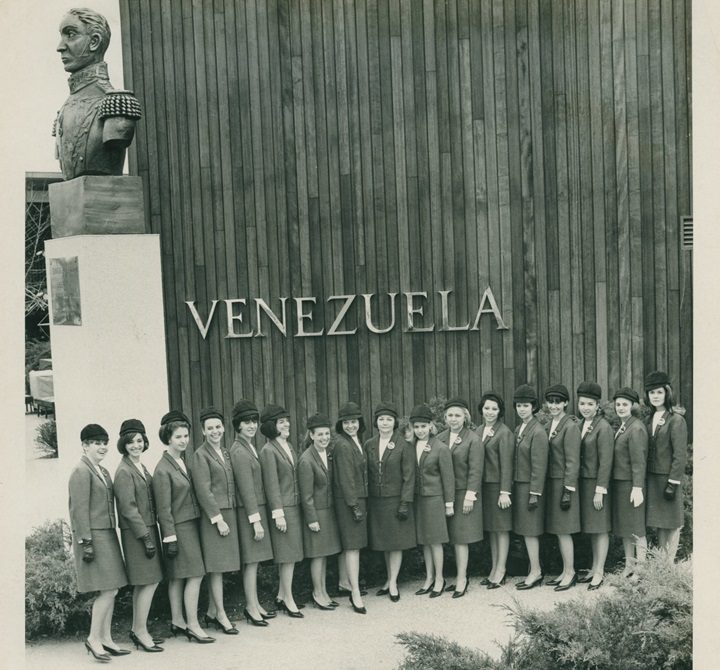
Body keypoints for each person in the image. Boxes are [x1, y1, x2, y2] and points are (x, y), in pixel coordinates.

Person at [68, 423, 129, 661]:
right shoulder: (81, 471)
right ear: (84, 446)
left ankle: (106, 638)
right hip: (94, 537)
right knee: (109, 589)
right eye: (96, 443)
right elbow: (78, 510)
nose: (102, 447)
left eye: (104, 442)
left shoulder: (102, 471)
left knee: (111, 589)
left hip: (107, 534)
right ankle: (93, 638)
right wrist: (86, 542)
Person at [152, 411, 214, 644]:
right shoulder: (162, 468)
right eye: (178, 437)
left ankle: (178, 621)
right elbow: (164, 509)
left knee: (178, 578)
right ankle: (193, 625)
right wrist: (170, 538)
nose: (183, 440)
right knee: (195, 574)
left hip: (189, 525)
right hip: (179, 528)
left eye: (186, 436)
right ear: (168, 438)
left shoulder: (180, 461)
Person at [113, 419, 164, 652]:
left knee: (146, 582)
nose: (136, 445)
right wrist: (145, 537)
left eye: (140, 440)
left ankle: (137, 629)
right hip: (137, 534)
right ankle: (141, 631)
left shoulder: (140, 467)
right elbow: (128, 508)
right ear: (123, 444)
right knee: (148, 581)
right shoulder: (124, 471)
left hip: (147, 529)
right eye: (131, 441)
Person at [191, 407, 241, 635]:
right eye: (209, 428)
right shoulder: (200, 455)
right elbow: (204, 491)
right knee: (217, 568)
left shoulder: (225, 452)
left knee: (222, 566)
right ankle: (221, 614)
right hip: (215, 517)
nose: (215, 431)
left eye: (218, 427)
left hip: (229, 513)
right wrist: (217, 519)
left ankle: (212, 611)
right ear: (203, 431)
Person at [228, 399, 276, 626]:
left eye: (254, 421)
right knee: (251, 561)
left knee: (254, 562)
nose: (251, 426)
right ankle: (250, 606)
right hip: (250, 513)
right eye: (246, 422)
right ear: (237, 425)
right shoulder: (238, 450)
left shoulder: (249, 446)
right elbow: (246, 490)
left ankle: (255, 604)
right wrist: (255, 521)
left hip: (256, 511)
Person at [365, 401, 416, 602]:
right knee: (384, 543)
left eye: (388, 419)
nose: (384, 423)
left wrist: (405, 502)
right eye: (381, 419)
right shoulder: (369, 444)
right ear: (376, 422)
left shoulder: (403, 444)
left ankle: (393, 582)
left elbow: (409, 477)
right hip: (377, 502)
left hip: (396, 501)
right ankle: (388, 579)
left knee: (395, 543)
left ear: (394, 422)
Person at [259, 404, 305, 617]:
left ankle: (281, 595)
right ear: (272, 426)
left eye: (286, 420)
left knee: (291, 555)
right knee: (287, 556)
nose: (286, 424)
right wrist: (278, 514)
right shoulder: (268, 450)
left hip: (293, 507)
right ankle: (288, 599)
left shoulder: (288, 445)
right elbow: (271, 485)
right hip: (283, 510)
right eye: (281, 421)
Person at [436, 398, 483, 598]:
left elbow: (475, 470)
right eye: (450, 416)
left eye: (457, 415)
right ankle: (453, 576)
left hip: (464, 493)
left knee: (461, 538)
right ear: (445, 418)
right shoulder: (439, 438)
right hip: (444, 494)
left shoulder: (473, 439)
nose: (453, 419)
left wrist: (470, 496)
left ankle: (462, 578)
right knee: (449, 537)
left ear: (465, 417)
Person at [409, 404, 455, 598]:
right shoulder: (410, 446)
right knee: (425, 542)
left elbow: (448, 478)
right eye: (416, 427)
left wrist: (449, 503)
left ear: (431, 426)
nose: (420, 430)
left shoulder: (440, 448)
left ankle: (439, 579)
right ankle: (428, 578)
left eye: (423, 426)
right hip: (418, 500)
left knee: (435, 541)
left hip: (435, 499)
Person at [298, 414, 343, 610]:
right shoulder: (307, 459)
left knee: (324, 555)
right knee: (317, 555)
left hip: (329, 512)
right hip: (317, 514)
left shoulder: (328, 453)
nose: (324, 438)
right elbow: (306, 495)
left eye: (327, 434)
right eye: (320, 434)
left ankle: (324, 591)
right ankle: (317, 593)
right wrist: (312, 519)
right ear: (311, 435)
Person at [644, 371, 688, 561]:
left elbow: (679, 455)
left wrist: (673, 482)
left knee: (672, 522)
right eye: (652, 392)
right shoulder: (648, 419)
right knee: (659, 522)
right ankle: (661, 562)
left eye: (659, 392)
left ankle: (668, 565)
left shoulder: (676, 420)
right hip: (652, 477)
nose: (655, 396)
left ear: (667, 393)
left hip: (668, 478)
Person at [575, 382, 614, 590]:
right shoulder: (580, 425)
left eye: (590, 404)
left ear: (598, 405)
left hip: (597, 485)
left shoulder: (603, 427)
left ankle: (600, 571)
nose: (586, 408)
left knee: (600, 528)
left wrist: (600, 490)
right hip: (583, 483)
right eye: (582, 403)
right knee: (592, 528)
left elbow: (606, 462)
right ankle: (593, 567)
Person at [542, 385, 581, 591]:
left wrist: (567, 490)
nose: (554, 405)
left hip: (564, 484)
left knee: (565, 530)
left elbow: (572, 462)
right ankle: (565, 570)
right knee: (559, 530)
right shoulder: (550, 424)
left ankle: (571, 572)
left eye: (558, 402)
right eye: (550, 402)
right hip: (552, 482)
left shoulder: (570, 426)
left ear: (566, 403)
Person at [332, 402, 369, 613]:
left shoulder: (355, 441)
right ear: (341, 425)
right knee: (353, 546)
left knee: (348, 546)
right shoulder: (343, 445)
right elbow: (346, 479)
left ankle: (344, 582)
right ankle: (354, 593)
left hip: (354, 499)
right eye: (346, 422)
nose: (350, 426)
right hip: (350, 501)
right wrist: (354, 505)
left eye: (353, 421)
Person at [511, 385, 549, 590]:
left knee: (531, 531)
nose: (522, 409)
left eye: (525, 405)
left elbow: (539, 465)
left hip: (531, 489)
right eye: (518, 405)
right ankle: (533, 568)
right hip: (520, 486)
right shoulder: (520, 428)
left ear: (533, 407)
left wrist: (534, 493)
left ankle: (536, 571)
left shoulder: (538, 431)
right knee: (526, 531)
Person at [477, 392, 514, 589]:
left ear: (500, 411)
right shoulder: (478, 430)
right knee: (492, 529)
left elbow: (507, 464)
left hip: (498, 487)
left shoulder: (504, 432)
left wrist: (505, 491)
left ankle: (501, 570)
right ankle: (493, 568)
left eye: (494, 409)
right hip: (484, 487)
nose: (490, 412)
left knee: (501, 529)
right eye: (486, 408)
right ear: (481, 410)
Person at [611, 388, 648, 577]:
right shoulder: (624, 425)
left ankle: (640, 568)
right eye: (618, 404)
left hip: (631, 484)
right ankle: (629, 565)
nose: (621, 408)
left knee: (636, 528)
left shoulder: (636, 427)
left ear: (633, 406)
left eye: (625, 404)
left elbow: (638, 461)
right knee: (626, 527)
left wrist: (637, 487)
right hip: (620, 484)